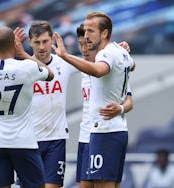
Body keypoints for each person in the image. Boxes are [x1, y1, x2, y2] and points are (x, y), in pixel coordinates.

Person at [52, 11, 135, 188]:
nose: (86, 36)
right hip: (106, 131)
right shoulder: (117, 52)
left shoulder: (106, 56)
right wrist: (122, 52)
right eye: (85, 32)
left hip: (105, 131)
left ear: (104, 33)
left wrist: (65, 55)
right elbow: (131, 65)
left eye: (90, 31)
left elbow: (99, 70)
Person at [0, 26, 54, 188]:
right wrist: (23, 54)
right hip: (23, 142)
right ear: (14, 44)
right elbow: (50, 74)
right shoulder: (26, 67)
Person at [14, 20, 79, 188]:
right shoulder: (22, 68)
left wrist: (117, 51)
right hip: (29, 140)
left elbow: (93, 64)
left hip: (56, 139)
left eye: (45, 41)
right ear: (29, 42)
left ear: (52, 40)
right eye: (37, 42)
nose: (42, 47)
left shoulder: (63, 62)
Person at [75, 23, 134, 188]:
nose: (84, 49)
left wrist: (120, 109)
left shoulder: (112, 66)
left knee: (106, 183)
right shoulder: (80, 66)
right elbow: (46, 66)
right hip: (86, 135)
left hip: (104, 132)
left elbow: (129, 100)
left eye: (87, 44)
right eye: (81, 44)